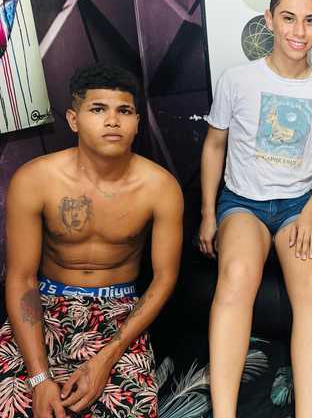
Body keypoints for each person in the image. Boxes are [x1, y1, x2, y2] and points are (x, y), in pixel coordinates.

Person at [1, 63, 183, 418]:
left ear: (137, 122)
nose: (112, 121)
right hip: (44, 306)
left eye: (124, 111)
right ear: (73, 119)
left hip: (119, 312)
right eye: (98, 109)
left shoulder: (160, 188)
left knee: (126, 408)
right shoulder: (34, 179)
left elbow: (164, 279)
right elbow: (21, 278)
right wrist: (39, 378)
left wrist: (106, 359)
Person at [198, 0, 312, 418]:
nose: (299, 31)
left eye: (310, 20)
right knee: (236, 276)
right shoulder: (237, 80)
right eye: (289, 18)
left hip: (301, 205)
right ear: (270, 19)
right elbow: (214, 146)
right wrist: (208, 213)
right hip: (243, 203)